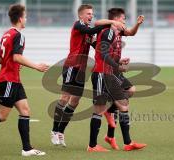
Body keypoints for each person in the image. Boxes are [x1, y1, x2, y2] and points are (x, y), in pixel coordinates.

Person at [50, 4, 125, 147]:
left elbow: (97, 47)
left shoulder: (89, 32)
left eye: (92, 14)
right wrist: (110, 22)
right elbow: (91, 29)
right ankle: (54, 130)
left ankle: (61, 132)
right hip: (72, 66)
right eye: (88, 14)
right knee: (65, 98)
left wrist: (118, 60)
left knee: (74, 102)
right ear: (81, 15)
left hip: (82, 70)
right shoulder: (78, 25)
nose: (91, 16)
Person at [87, 8, 146, 152]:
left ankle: (128, 143)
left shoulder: (117, 33)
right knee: (99, 110)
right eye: (123, 19)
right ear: (116, 20)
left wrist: (118, 63)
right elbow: (104, 54)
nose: (125, 22)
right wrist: (118, 66)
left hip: (111, 73)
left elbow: (128, 35)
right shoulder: (107, 32)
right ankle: (92, 146)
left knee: (125, 102)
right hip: (102, 73)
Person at [0, 4, 48, 156]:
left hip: (13, 79)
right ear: (19, 19)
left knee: (25, 110)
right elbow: (16, 56)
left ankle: (27, 149)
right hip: (9, 80)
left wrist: (14, 64)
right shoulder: (19, 35)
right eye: (25, 16)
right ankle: (27, 148)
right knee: (2, 116)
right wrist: (36, 66)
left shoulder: (7, 34)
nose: (26, 19)